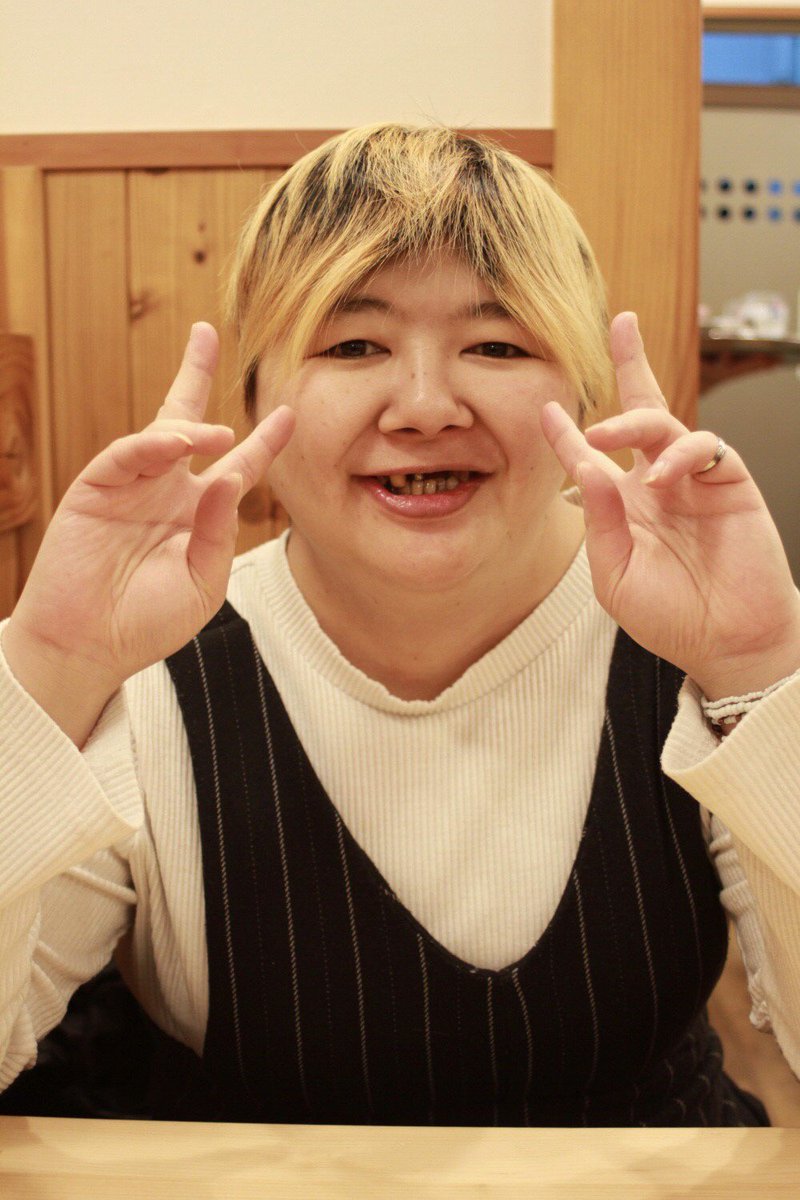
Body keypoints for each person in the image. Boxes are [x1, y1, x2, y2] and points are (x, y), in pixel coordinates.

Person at [1, 124, 799, 1127]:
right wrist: (49, 670)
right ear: (254, 401)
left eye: (498, 345)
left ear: (584, 398)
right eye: (353, 345)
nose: (424, 406)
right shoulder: (147, 664)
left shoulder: (694, 635)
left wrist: (760, 671)